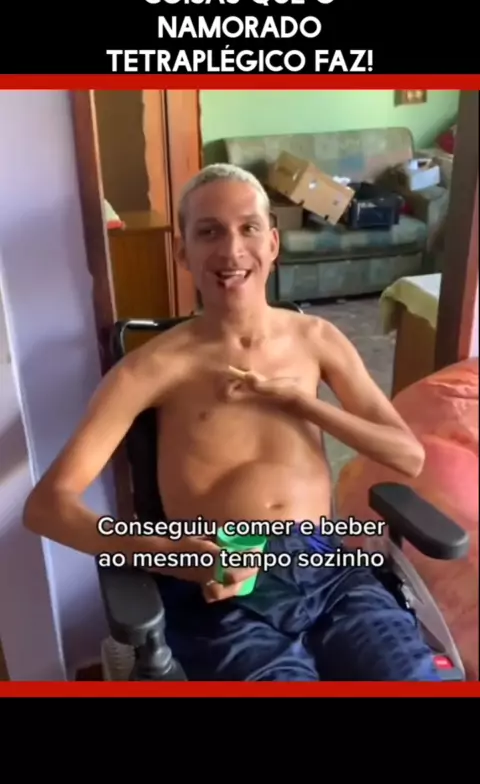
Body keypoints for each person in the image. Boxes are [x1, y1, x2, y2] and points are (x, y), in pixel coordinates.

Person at [23, 164, 440, 681]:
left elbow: (407, 456)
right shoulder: (151, 367)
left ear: (273, 243)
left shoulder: (317, 339)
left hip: (327, 563)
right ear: (183, 253)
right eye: (209, 232)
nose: (232, 250)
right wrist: (168, 554)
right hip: (224, 582)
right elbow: (47, 506)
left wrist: (303, 403)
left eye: (248, 228)